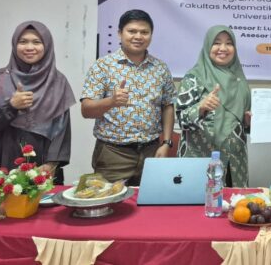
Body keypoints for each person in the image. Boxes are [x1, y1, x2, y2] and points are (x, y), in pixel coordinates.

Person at [81, 9, 176, 185]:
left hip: (151, 151)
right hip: (113, 154)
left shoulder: (160, 68)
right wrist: (111, 101)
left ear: (151, 35)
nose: (138, 36)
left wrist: (166, 143)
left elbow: (168, 106)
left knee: (150, 199)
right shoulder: (103, 66)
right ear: (120, 33)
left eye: (144, 32)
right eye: (132, 31)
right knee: (111, 200)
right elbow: (86, 110)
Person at [0, 21, 76, 183]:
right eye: (23, 42)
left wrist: (52, 163)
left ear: (47, 46)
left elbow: (62, 129)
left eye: (36, 42)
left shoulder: (57, 82)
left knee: (44, 199)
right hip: (3, 158)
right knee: (4, 198)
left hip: (43, 164)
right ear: (15, 44)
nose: (29, 47)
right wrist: (11, 106)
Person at [176, 26, 251, 187]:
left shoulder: (240, 80)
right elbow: (181, 120)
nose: (223, 48)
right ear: (207, 46)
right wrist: (200, 107)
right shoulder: (194, 78)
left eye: (229, 43)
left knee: (233, 202)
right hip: (201, 160)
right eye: (216, 43)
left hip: (235, 163)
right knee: (202, 201)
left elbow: (244, 126)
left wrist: (248, 122)